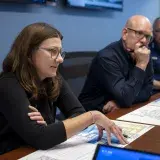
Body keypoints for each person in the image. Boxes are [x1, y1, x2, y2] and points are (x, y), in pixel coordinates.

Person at [0, 23, 127, 154]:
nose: (60, 59)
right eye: (52, 51)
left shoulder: (54, 78)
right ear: (28, 52)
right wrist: (93, 116)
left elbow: (78, 113)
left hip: (37, 151)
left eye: (60, 52)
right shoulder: (8, 84)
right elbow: (42, 138)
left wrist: (50, 130)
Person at [79, 15, 153, 113]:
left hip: (121, 110)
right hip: (93, 115)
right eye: (139, 33)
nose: (144, 40)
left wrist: (119, 102)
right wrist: (141, 65)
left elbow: (148, 90)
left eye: (147, 36)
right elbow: (126, 98)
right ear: (125, 33)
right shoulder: (107, 57)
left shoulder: (143, 53)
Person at [150, 17, 160, 92]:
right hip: (152, 94)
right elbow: (144, 80)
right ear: (153, 33)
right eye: (158, 31)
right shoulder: (145, 49)